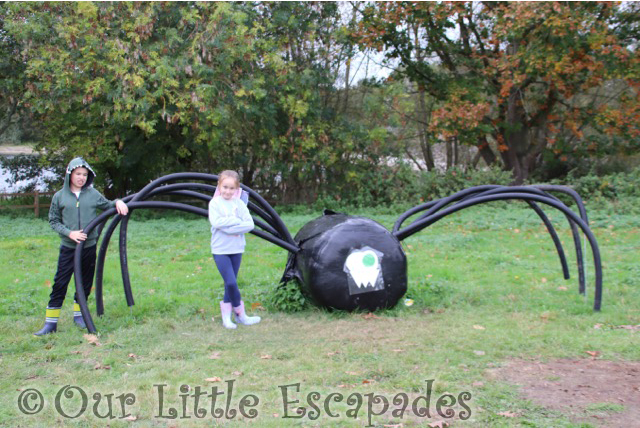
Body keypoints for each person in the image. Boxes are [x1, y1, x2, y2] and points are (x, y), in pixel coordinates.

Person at [34, 157, 129, 336]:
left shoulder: (93, 195)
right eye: (78, 174)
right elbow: (53, 221)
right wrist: (70, 233)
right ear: (70, 174)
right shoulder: (59, 197)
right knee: (60, 283)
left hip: (88, 248)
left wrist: (118, 202)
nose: (81, 178)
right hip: (69, 248)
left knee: (85, 283)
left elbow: (107, 206)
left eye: (85, 175)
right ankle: (50, 323)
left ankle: (80, 316)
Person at [209, 170, 260, 329]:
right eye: (225, 187)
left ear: (237, 189)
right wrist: (236, 223)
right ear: (219, 186)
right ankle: (240, 314)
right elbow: (216, 223)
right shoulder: (215, 203)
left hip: (237, 248)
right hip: (220, 249)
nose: (228, 191)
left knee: (230, 284)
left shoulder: (239, 203)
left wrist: (229, 228)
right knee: (230, 282)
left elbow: (250, 224)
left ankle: (230, 318)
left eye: (232, 188)